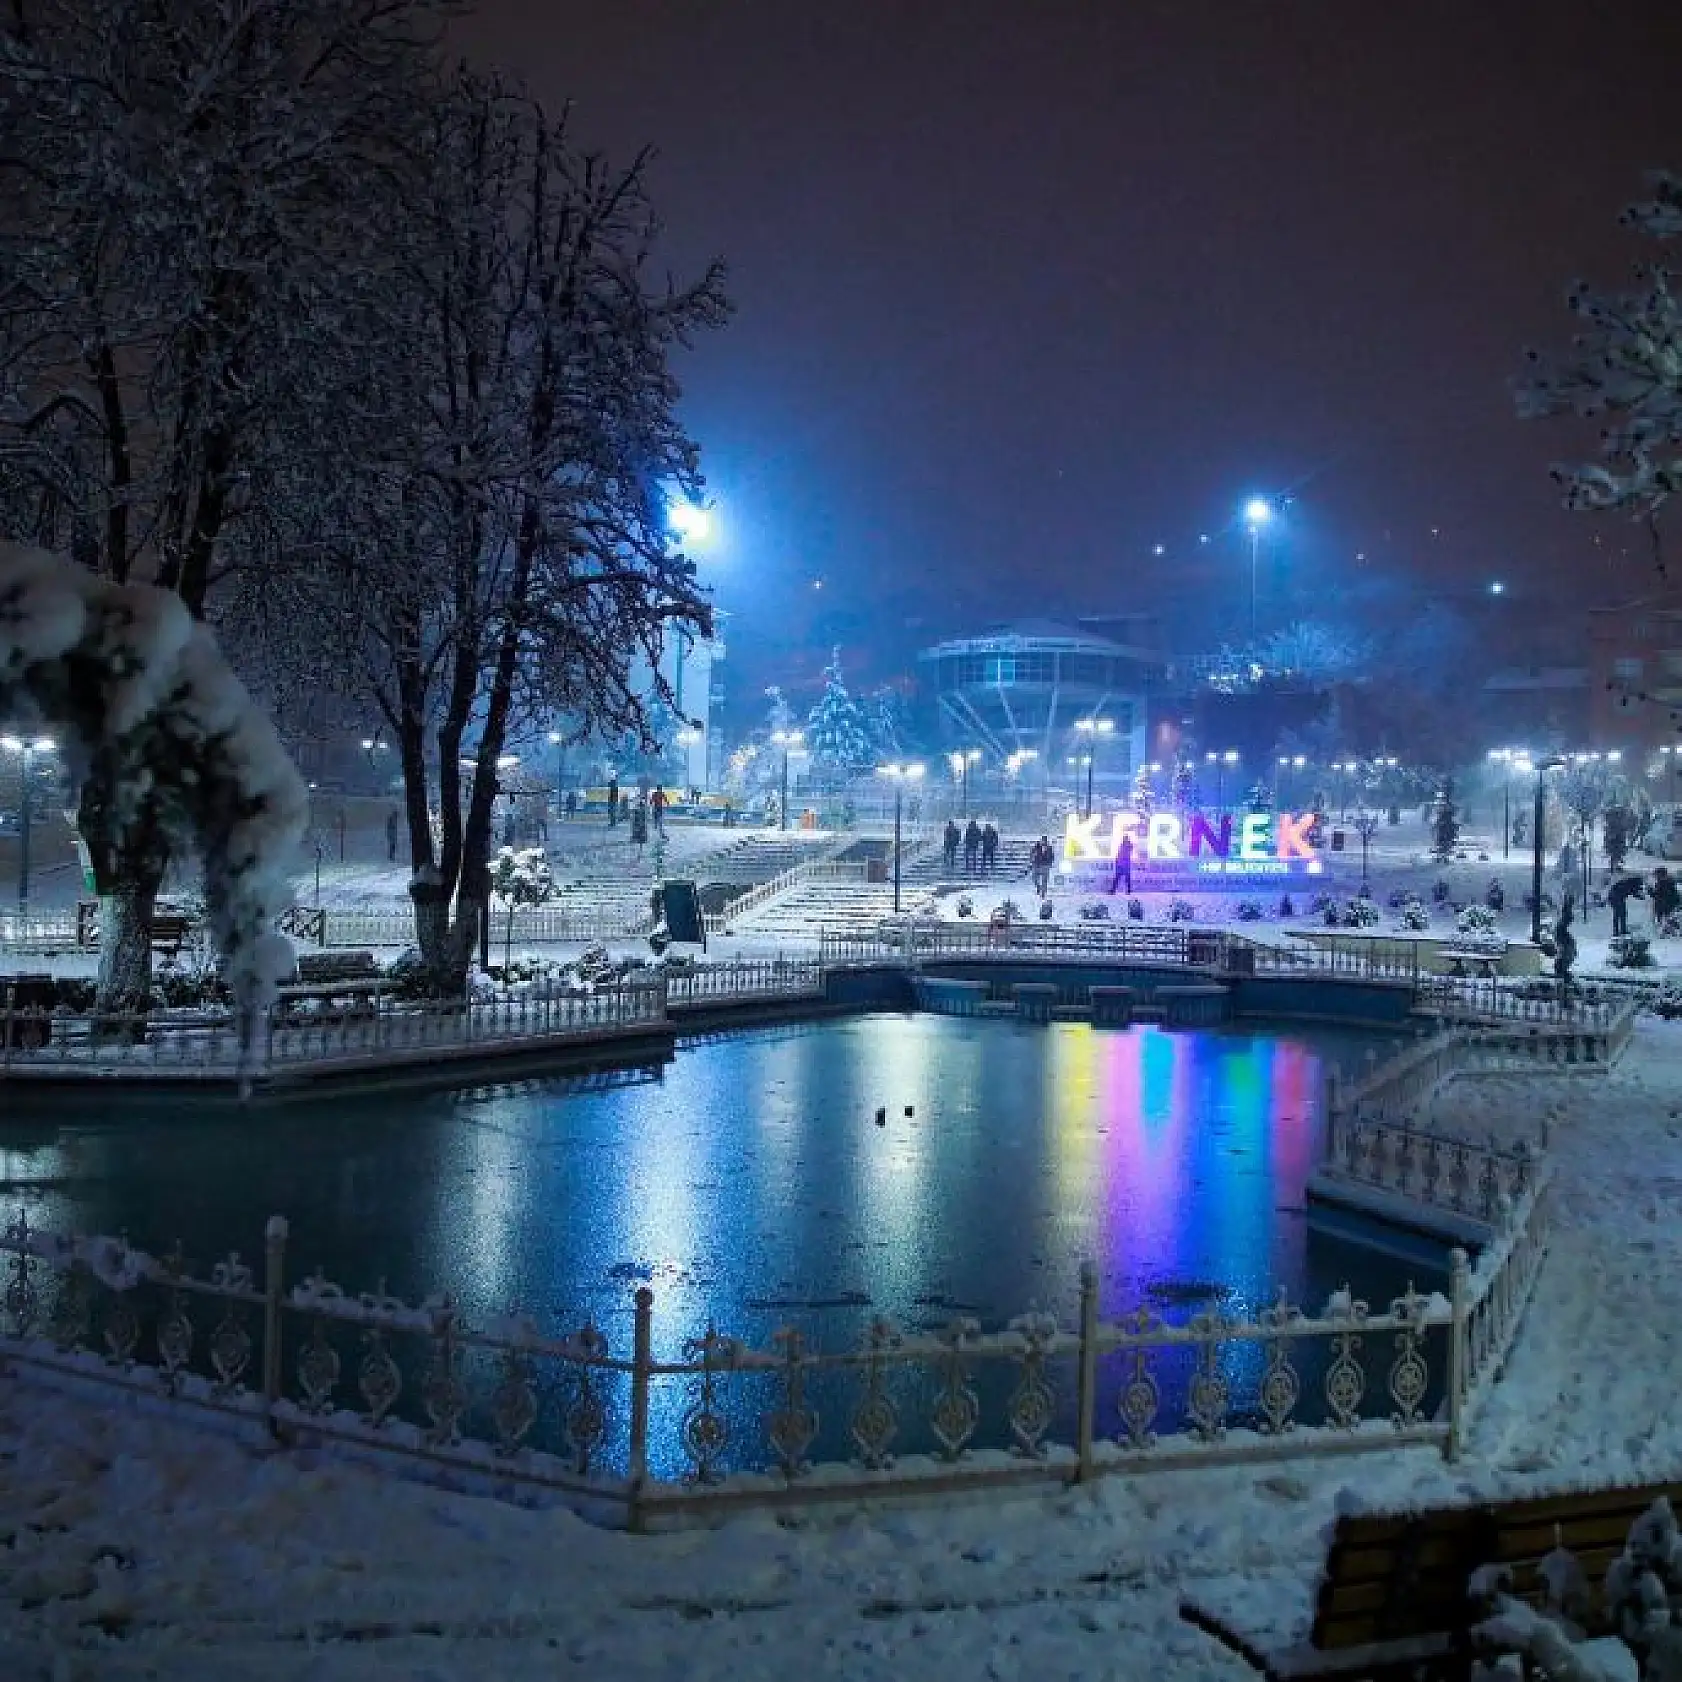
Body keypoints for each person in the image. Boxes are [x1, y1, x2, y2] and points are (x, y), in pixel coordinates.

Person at [1608, 870, 1645, 937]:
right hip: (1616, 897)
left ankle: (1619, 930)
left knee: (1619, 914)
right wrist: (1641, 897)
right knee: (1620, 914)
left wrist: (1640, 895)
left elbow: (1633, 892)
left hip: (1615, 897)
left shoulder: (1628, 882)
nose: (1640, 886)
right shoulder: (1631, 884)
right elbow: (1634, 893)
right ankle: (1619, 931)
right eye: (1640, 884)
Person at [1654, 866, 1680, 930]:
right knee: (1667, 921)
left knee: (1667, 921)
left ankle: (1670, 929)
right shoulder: (1664, 882)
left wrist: (1652, 892)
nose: (1656, 877)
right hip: (1665, 906)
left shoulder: (1665, 883)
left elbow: (1662, 895)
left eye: (1657, 875)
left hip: (1666, 906)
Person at [1030, 835, 1053, 899]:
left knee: (1044, 880)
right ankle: (1038, 887)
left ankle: (1043, 893)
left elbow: (1051, 856)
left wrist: (1049, 863)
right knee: (1034, 878)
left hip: (1045, 865)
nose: (1043, 842)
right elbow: (1032, 854)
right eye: (1043, 840)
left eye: (1045, 841)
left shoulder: (1049, 848)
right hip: (1037, 865)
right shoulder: (1036, 847)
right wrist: (1032, 860)